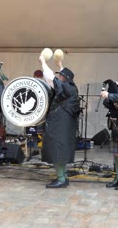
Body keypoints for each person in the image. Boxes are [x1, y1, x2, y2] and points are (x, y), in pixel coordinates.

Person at [39, 55, 79, 188]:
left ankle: (61, 179)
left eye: (61, 76)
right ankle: (63, 177)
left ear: (65, 79)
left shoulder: (67, 88)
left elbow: (51, 78)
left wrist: (43, 62)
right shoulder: (71, 87)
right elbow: (63, 77)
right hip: (62, 125)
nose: (59, 77)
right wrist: (60, 65)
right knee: (60, 152)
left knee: (57, 151)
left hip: (60, 125)